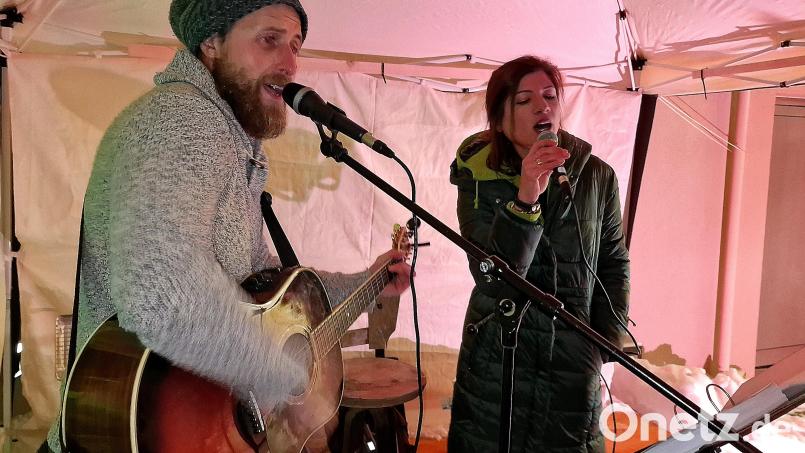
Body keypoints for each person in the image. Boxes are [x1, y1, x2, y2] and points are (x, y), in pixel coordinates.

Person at [42, 1, 411, 451]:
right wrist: (283, 378)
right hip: (150, 426)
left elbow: (270, 291)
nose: (290, 64)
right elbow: (162, 297)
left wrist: (368, 283)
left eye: (295, 46)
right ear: (211, 42)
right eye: (269, 40)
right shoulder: (183, 119)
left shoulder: (231, 139)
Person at [447, 55, 630, 452]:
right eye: (524, 100)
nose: (541, 107)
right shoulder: (478, 176)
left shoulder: (597, 175)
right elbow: (492, 276)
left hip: (570, 360)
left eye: (549, 96)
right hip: (499, 357)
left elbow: (614, 261)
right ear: (500, 118)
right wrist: (527, 192)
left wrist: (603, 344)